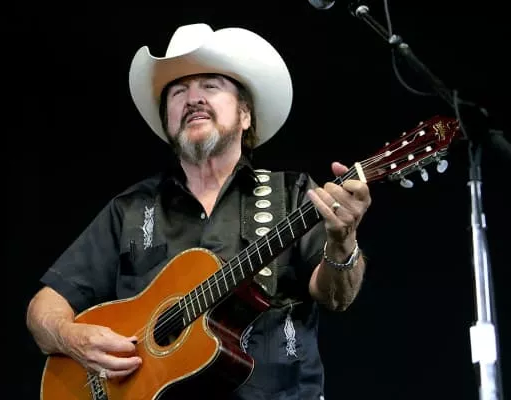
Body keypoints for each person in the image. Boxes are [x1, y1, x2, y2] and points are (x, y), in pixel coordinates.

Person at [26, 23, 371, 400]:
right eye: (178, 91)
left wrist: (343, 241)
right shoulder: (131, 208)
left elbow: (336, 297)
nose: (193, 98)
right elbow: (44, 306)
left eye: (210, 86)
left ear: (245, 115)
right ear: (168, 122)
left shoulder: (293, 194)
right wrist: (71, 337)